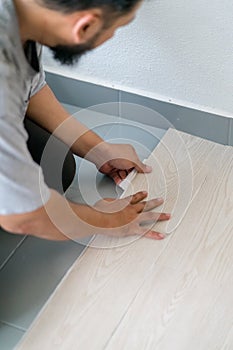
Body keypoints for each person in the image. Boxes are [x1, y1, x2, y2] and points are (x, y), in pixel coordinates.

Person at [0, 0, 170, 242]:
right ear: (85, 27)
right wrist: (109, 221)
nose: (112, 36)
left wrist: (98, 150)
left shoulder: (25, 13)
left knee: (57, 167)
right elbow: (23, 217)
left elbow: (30, 88)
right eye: (117, 28)